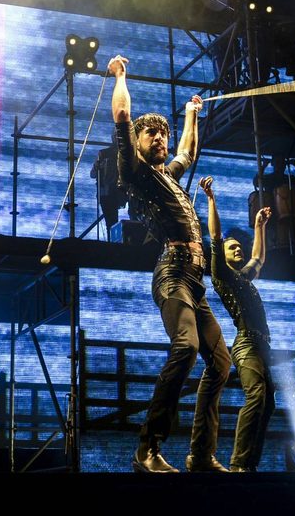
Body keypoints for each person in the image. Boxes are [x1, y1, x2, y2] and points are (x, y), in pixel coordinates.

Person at [108, 54, 230, 474]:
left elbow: (187, 152)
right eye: (152, 134)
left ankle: (200, 454)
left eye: (163, 133)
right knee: (187, 347)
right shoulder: (135, 172)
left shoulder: (168, 176)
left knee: (220, 362)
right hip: (172, 273)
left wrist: (190, 113)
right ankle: (147, 449)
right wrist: (121, 76)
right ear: (137, 142)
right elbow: (122, 115)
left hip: (195, 280)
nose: (160, 138)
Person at [201, 177, 274, 471]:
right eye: (232, 248)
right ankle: (239, 464)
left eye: (238, 247)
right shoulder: (223, 275)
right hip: (246, 344)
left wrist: (259, 226)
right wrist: (211, 199)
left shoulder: (243, 277)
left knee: (268, 403)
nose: (238, 249)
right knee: (256, 394)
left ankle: (249, 465)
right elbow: (216, 236)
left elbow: (258, 258)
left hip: (262, 346)